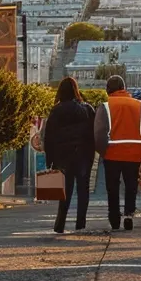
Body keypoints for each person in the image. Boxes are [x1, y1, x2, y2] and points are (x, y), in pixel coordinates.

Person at [95, 75, 141, 231]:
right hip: (134, 153)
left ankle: (114, 216)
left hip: (112, 153)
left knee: (112, 186)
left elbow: (99, 132)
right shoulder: (140, 106)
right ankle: (129, 214)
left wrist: (102, 151)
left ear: (108, 89)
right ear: (124, 88)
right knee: (131, 186)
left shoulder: (106, 106)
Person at [42, 78, 97, 233]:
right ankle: (81, 224)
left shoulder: (57, 110)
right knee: (83, 190)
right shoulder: (87, 109)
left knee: (65, 191)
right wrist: (91, 156)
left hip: (63, 156)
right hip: (83, 155)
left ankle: (60, 223)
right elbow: (93, 135)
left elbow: (49, 137)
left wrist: (50, 160)